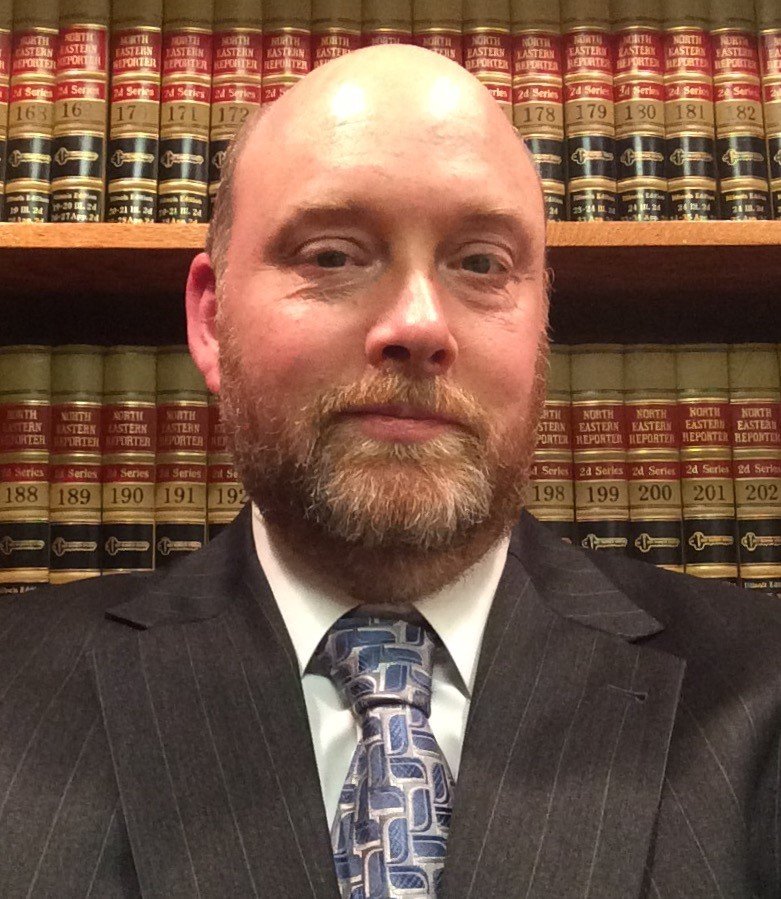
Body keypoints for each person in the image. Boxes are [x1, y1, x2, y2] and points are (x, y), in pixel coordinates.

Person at [1, 44, 780, 899]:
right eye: (332, 255)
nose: (418, 325)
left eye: (481, 263)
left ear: (540, 320)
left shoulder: (760, 692)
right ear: (212, 320)